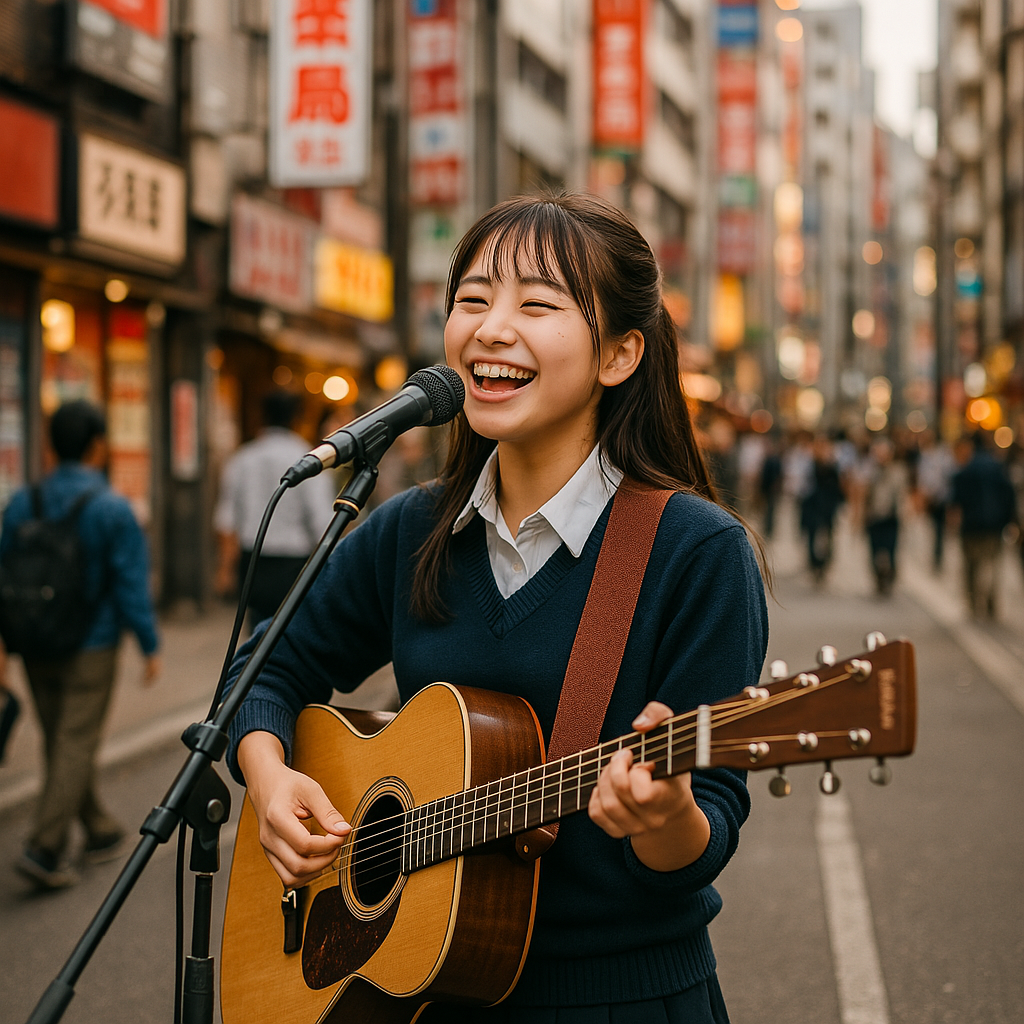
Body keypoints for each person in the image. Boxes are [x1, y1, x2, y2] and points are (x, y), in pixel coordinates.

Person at [224, 193, 769, 1023]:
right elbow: (265, 666)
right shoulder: (413, 527)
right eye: (473, 299)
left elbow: (703, 839)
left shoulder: (696, 553)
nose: (489, 328)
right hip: (419, 997)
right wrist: (269, 780)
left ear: (621, 354)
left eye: (537, 305)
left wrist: (666, 813)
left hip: (621, 999)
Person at [0, 400, 160, 889]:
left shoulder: (23, 503)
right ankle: (45, 848)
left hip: (33, 641)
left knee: (63, 740)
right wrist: (149, 645)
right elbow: (130, 584)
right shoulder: (112, 508)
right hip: (92, 644)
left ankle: (99, 830)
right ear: (97, 446)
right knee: (74, 741)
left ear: (50, 445)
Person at [214, 390, 336, 626]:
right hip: (294, 564)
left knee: (257, 631)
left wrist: (225, 569)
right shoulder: (309, 460)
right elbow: (322, 523)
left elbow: (227, 520)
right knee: (293, 631)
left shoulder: (242, 459)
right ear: (296, 419)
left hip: (254, 562)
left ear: (262, 417)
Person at [949, 432, 1016, 619]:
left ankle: (972, 601)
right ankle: (991, 601)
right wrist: (1010, 520)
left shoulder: (966, 468)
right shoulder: (997, 467)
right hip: (994, 525)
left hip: (971, 525)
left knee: (971, 565)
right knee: (993, 563)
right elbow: (1009, 494)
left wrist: (954, 520)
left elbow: (955, 499)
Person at [861, 437, 910, 596]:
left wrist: (905, 514)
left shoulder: (899, 471)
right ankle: (878, 578)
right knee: (874, 550)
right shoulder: (869, 470)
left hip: (891, 518)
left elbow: (904, 494)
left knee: (891, 549)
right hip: (874, 517)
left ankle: (890, 576)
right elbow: (862, 493)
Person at [799, 435, 845, 584]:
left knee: (828, 536)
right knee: (812, 536)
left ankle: (825, 563)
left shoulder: (834, 466)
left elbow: (839, 488)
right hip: (812, 507)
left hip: (828, 508)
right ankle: (815, 564)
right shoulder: (809, 464)